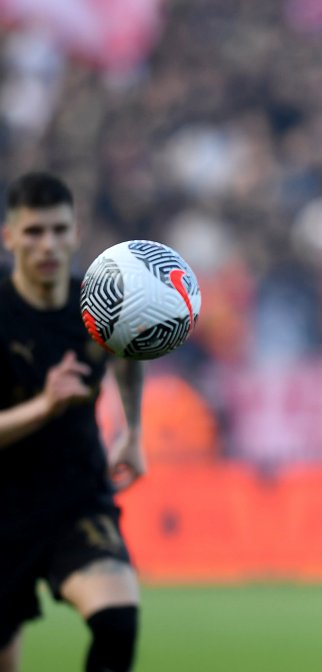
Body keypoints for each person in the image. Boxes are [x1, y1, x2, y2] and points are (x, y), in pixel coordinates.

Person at [0, 172, 145, 672]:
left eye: (59, 230)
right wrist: (44, 405)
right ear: (9, 237)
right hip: (4, 507)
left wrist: (133, 431)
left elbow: (129, 354)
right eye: (34, 231)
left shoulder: (100, 303)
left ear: (76, 233)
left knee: (117, 622)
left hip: (77, 495)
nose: (48, 244)